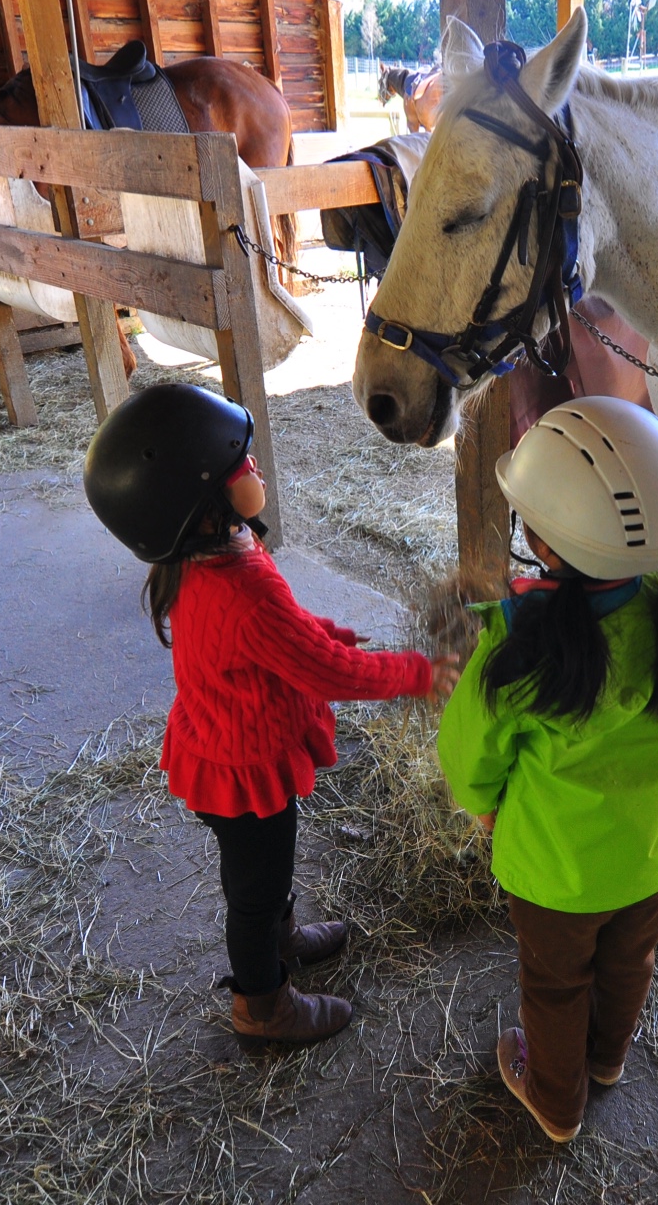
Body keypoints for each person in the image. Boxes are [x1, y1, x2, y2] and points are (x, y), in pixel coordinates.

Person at [82, 383, 461, 1049]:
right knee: (253, 892)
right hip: (242, 770)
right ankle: (263, 1006)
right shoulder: (242, 583)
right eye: (240, 467)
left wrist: (323, 630)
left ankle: (280, 939)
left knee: (262, 874)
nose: (254, 469)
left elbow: (286, 638)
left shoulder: (213, 556)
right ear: (198, 504)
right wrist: (420, 675)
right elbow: (327, 673)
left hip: (222, 746)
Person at [437, 396, 658, 1142]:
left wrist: (489, 809)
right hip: (654, 856)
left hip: (556, 875)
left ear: (545, 543)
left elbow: (469, 762)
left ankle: (556, 1101)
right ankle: (608, 1060)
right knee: (630, 963)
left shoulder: (519, 645)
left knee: (555, 988)